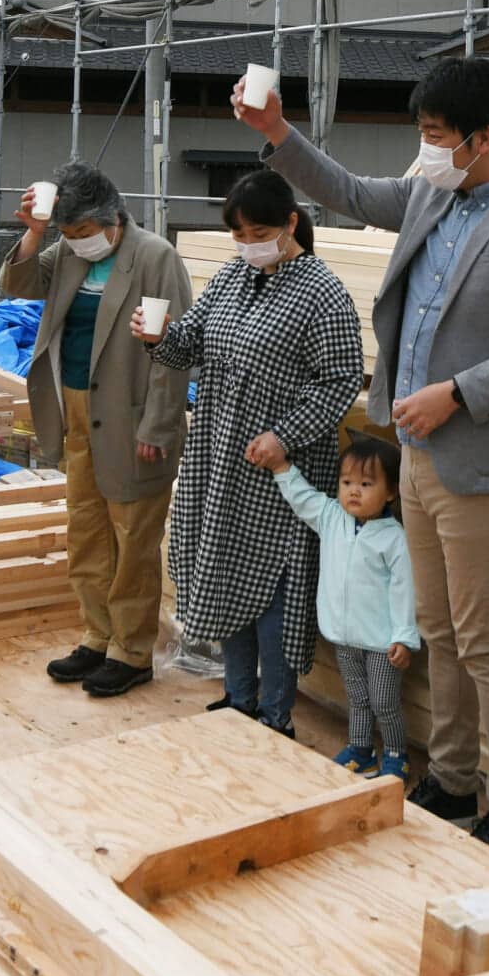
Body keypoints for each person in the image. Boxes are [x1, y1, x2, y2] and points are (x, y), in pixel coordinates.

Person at [235, 56, 489, 852]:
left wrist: (458, 391)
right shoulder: (433, 192)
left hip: (480, 458)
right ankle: (455, 778)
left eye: (435, 136)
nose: (424, 150)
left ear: (481, 138)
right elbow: (354, 195)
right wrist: (277, 134)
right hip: (416, 452)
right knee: (435, 624)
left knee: (484, 638)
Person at [140, 168, 364, 736]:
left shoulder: (322, 291)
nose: (248, 245)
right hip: (220, 455)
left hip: (281, 468)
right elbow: (190, 338)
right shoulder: (231, 277)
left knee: (276, 593)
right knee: (225, 574)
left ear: (291, 223)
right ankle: (238, 698)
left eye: (258, 232)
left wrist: (285, 435)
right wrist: (156, 336)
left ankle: (275, 713)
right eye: (238, 235)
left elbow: (338, 380)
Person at [1, 162, 192, 699]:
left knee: (133, 533)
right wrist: (37, 232)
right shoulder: (64, 254)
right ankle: (97, 633)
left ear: (110, 220)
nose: (77, 243)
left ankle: (131, 649)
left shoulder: (155, 258)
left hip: (132, 414)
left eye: (83, 233)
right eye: (67, 233)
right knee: (85, 526)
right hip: (75, 407)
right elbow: (18, 283)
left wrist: (158, 424)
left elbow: (176, 354)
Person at [266, 432, 418, 781]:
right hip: (343, 636)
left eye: (366, 484)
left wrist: (405, 637)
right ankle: (361, 750)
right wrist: (280, 467)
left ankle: (396, 754)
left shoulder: (395, 538)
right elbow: (302, 498)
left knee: (384, 703)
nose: (354, 491)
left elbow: (404, 590)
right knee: (358, 699)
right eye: (347, 482)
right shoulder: (332, 518)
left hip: (383, 643)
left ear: (391, 492)